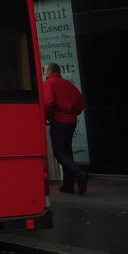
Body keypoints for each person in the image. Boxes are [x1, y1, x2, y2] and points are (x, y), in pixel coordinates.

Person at [42, 63, 89, 194]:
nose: (44, 73)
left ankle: (79, 173)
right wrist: (73, 113)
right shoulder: (68, 84)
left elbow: (48, 103)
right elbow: (81, 102)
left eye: (45, 70)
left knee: (59, 152)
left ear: (49, 71)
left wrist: (47, 116)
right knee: (67, 152)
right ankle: (68, 184)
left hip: (58, 121)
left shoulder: (49, 83)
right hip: (71, 121)